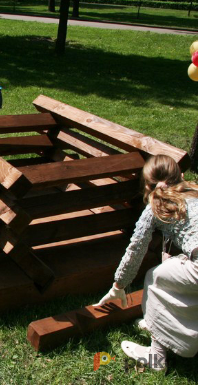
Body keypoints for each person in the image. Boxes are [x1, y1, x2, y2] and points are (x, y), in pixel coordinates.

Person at [94, 154, 198, 371]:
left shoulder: (155, 206)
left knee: (154, 278)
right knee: (174, 278)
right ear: (180, 176)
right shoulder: (193, 193)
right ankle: (163, 329)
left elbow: (135, 250)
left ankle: (157, 356)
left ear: (147, 185)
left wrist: (118, 286)